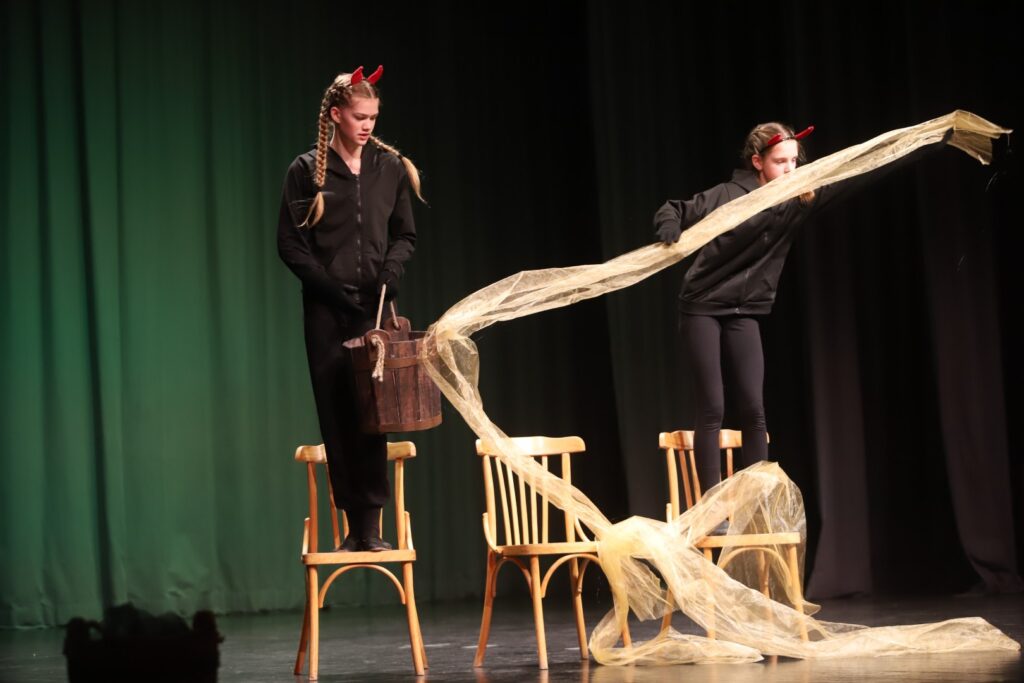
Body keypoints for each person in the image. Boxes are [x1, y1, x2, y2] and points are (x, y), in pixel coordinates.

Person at [278, 65, 423, 551]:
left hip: (374, 310)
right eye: (360, 116)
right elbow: (290, 244)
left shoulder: (388, 168)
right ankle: (351, 530)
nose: (367, 125)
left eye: (373, 118)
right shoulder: (306, 171)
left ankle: (371, 530)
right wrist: (329, 290)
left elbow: (404, 234)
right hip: (327, 310)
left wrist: (391, 271)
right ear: (336, 115)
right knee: (337, 414)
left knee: (373, 415)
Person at [652, 122, 827, 507]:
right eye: (780, 162)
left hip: (744, 309)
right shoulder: (729, 195)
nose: (790, 170)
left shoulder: (798, 198)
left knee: (753, 408)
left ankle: (754, 504)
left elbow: (854, 172)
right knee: (713, 407)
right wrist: (669, 227)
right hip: (702, 306)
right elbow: (674, 208)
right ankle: (712, 507)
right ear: (758, 162)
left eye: (794, 162)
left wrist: (922, 143)